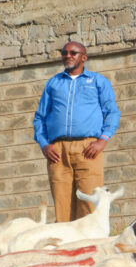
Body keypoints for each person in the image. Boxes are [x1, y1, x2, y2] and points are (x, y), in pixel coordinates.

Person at [33, 41, 120, 222]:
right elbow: (39, 118)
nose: (68, 56)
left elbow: (112, 113)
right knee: (62, 205)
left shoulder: (97, 81)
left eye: (73, 52)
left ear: (83, 57)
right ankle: (65, 247)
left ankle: (89, 247)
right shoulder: (53, 83)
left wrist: (102, 141)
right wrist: (44, 145)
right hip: (57, 151)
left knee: (90, 201)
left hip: (88, 147)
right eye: (64, 52)